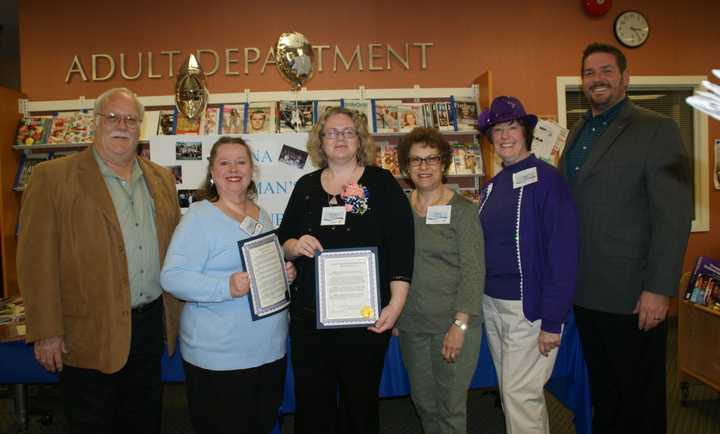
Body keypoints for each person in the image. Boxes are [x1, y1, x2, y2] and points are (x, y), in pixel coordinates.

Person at [17, 87, 183, 434]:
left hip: (149, 325)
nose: (121, 125)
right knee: (92, 421)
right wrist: (47, 331)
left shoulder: (162, 179)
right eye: (112, 117)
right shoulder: (53, 178)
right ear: (95, 123)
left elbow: (176, 250)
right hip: (89, 329)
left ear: (141, 127)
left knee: (145, 419)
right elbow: (36, 260)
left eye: (130, 119)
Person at [559, 42, 692, 434]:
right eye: (588, 73)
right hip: (586, 294)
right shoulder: (578, 132)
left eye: (605, 70)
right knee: (604, 395)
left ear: (625, 77)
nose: (597, 79)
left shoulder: (658, 128)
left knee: (641, 400)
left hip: (633, 296)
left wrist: (658, 289)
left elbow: (673, 215)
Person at [277, 106, 414, 434]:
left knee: (360, 405)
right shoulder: (306, 186)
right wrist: (295, 246)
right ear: (320, 142)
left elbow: (401, 247)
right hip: (310, 320)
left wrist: (395, 306)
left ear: (360, 140)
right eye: (331, 133)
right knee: (313, 407)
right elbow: (283, 239)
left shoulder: (381, 184)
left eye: (348, 132)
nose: (339, 139)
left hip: (364, 321)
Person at [161, 136, 296, 434]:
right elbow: (172, 277)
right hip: (220, 355)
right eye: (225, 163)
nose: (233, 169)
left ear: (252, 170)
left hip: (269, 348)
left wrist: (283, 274)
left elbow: (263, 265)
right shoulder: (198, 217)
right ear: (212, 171)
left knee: (261, 425)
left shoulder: (261, 214)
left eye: (241, 162)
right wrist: (226, 287)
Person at [478, 96, 577, 434]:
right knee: (513, 392)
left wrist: (553, 320)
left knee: (521, 393)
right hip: (492, 303)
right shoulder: (493, 186)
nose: (505, 136)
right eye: (497, 131)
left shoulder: (548, 181)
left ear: (526, 132)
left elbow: (563, 253)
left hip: (528, 309)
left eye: (512, 127)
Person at [395, 127, 485, 434]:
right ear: (406, 167)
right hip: (412, 326)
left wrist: (459, 326)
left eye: (431, 158)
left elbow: (474, 271)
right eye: (416, 160)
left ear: (444, 163)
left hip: (453, 325)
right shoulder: (400, 211)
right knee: (424, 404)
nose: (424, 166)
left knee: (450, 408)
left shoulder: (463, 211)